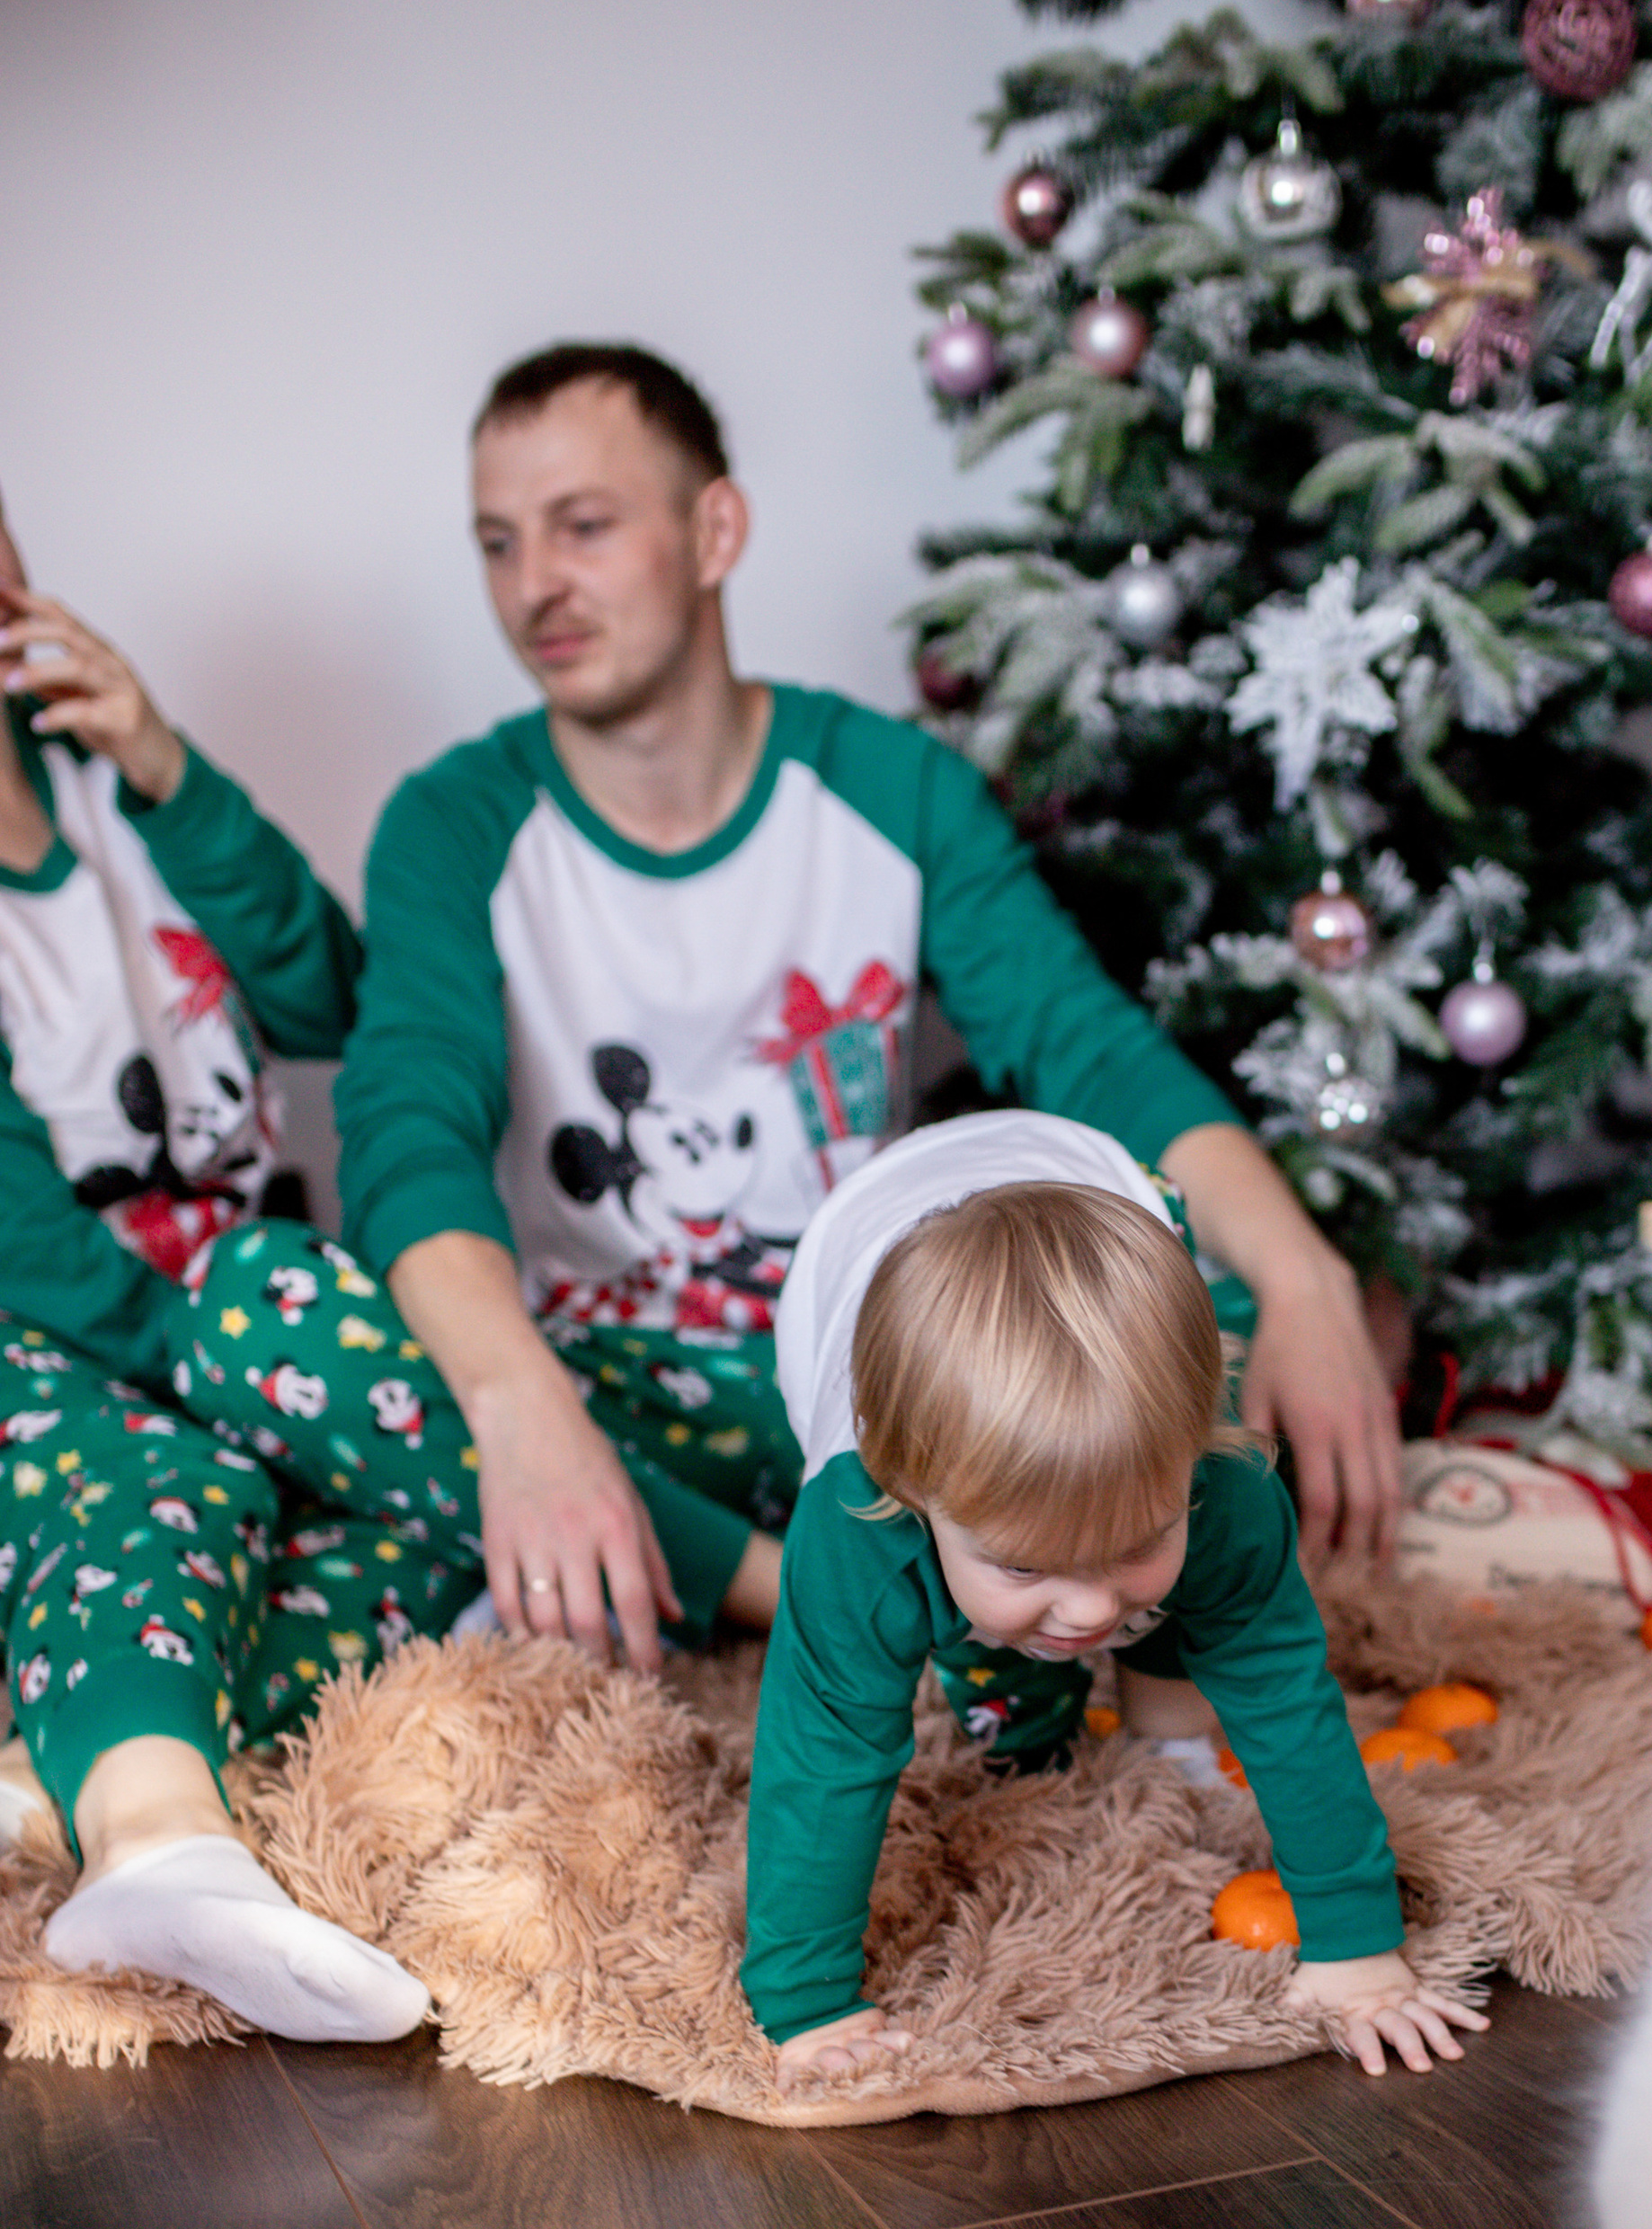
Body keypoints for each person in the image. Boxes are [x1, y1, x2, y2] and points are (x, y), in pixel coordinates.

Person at [323, 342, 1401, 1682]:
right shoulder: (454, 822)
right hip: (608, 1390)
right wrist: (521, 1406)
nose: (535, 584)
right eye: (497, 543)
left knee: (1201, 1292)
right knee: (274, 1305)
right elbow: (404, 1132)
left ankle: (767, 1573)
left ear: (714, 529)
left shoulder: (889, 788)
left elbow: (1086, 1048)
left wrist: (1305, 1277)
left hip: (874, 1377)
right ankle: (831, 1595)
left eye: (583, 526)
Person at [746, 1111, 1484, 2082]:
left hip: (1102, 1180)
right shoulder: (855, 1523)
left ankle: (1151, 1703)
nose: (1092, 1614)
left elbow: (1281, 1691)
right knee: (1005, 1704)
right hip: (855, 1239)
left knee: (1198, 1593)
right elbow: (822, 1757)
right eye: (1025, 1564)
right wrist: (805, 2004)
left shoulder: (1223, 1484)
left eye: (1136, 1539)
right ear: (914, 1497)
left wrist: (1354, 1944)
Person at [0, 489, 447, 2038]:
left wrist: (164, 765)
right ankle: (161, 1844)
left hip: (244, 1324)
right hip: (70, 1358)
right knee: (155, 1485)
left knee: (444, 1533)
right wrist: (213, 1391)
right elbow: (34, 1251)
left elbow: (330, 995)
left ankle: (83, 1742)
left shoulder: (120, 806)